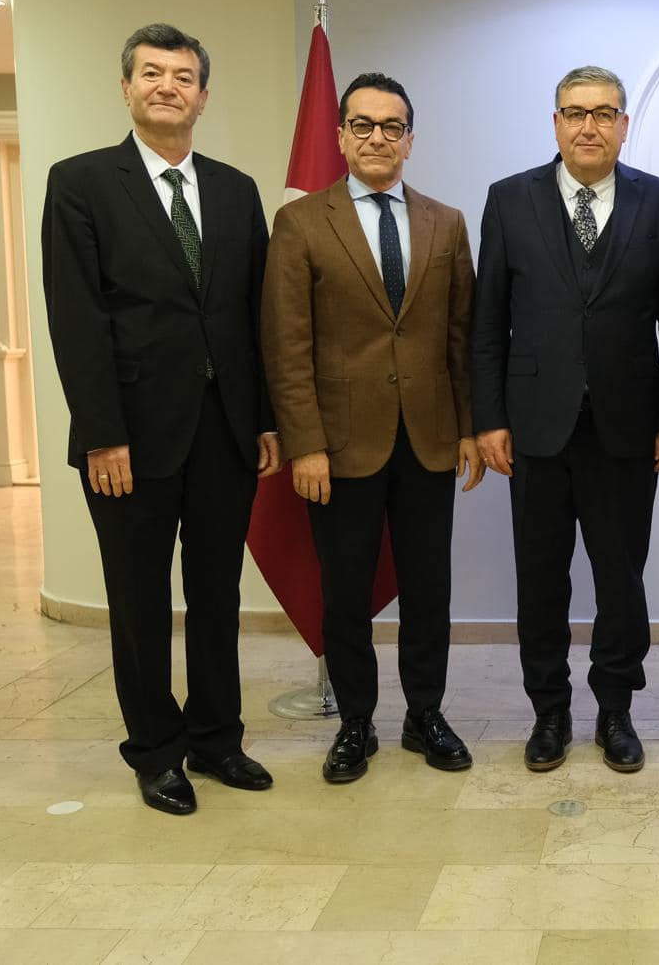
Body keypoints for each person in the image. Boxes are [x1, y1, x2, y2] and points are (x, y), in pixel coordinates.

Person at [42, 23, 278, 814]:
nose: (167, 86)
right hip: (128, 439)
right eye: (151, 73)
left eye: (182, 76)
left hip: (225, 432)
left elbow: (255, 317)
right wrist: (102, 432)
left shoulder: (237, 190)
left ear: (203, 96)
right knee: (140, 600)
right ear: (126, 88)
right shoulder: (80, 183)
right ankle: (155, 752)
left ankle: (216, 738)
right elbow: (77, 318)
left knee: (217, 595)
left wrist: (266, 420)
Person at [262, 72, 484, 784]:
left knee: (428, 590)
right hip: (338, 446)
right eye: (363, 124)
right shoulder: (301, 222)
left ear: (410, 140)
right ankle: (355, 722)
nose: (377, 137)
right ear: (340, 136)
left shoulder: (447, 222)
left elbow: (461, 337)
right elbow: (287, 345)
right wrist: (305, 444)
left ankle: (425, 715)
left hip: (428, 439)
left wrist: (469, 428)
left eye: (392, 126)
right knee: (346, 592)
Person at [472, 65, 659, 773]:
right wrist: (489, 417)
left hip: (629, 427)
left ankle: (616, 710)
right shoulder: (510, 200)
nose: (588, 126)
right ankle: (550, 710)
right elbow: (487, 321)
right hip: (535, 427)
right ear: (556, 122)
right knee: (541, 579)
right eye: (575, 112)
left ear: (624, 124)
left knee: (622, 578)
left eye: (603, 113)